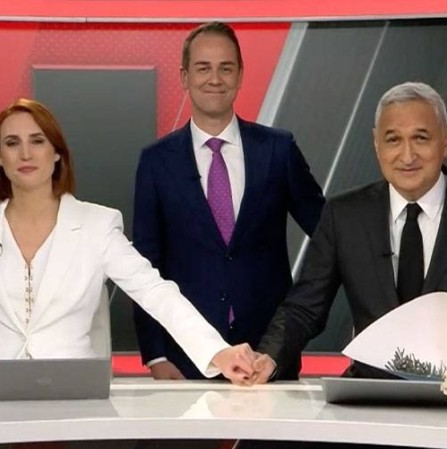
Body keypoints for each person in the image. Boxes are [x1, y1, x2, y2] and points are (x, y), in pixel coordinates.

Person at [0, 98, 259, 385]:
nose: (25, 153)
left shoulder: (96, 225)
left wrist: (217, 351)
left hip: (68, 390)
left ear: (57, 153)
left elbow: (155, 292)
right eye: (12, 143)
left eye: (38, 141)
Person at [250, 82, 447, 381]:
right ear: (376, 143)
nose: (407, 156)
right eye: (393, 140)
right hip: (370, 392)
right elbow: (305, 308)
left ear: (446, 140)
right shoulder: (344, 215)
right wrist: (268, 357)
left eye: (421, 138)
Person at [133, 22, 326, 380]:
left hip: (268, 355)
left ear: (240, 75)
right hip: (186, 358)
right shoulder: (156, 162)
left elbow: (329, 235)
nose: (215, 79)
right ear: (184, 76)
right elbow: (144, 266)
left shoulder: (278, 150)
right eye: (203, 68)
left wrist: (293, 323)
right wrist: (155, 355)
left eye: (226, 68)